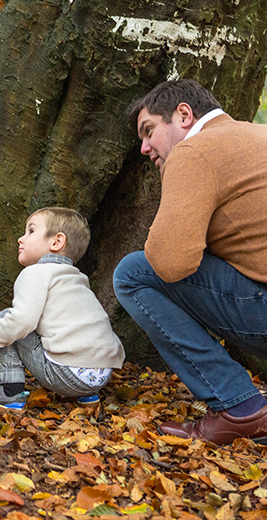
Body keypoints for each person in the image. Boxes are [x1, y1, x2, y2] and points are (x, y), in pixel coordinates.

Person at [113, 79, 267, 445]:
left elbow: (169, 263)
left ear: (184, 114)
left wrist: (175, 171)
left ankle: (241, 409)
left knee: (133, 273)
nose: (144, 148)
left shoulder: (195, 151)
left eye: (149, 130)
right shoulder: (256, 135)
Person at [0, 207, 125, 411]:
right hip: (101, 375)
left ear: (56, 242)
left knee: (5, 320)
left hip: (66, 375)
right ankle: (88, 396)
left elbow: (21, 321)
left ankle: (9, 393)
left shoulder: (35, 273)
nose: (21, 239)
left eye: (30, 231)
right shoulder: (77, 278)